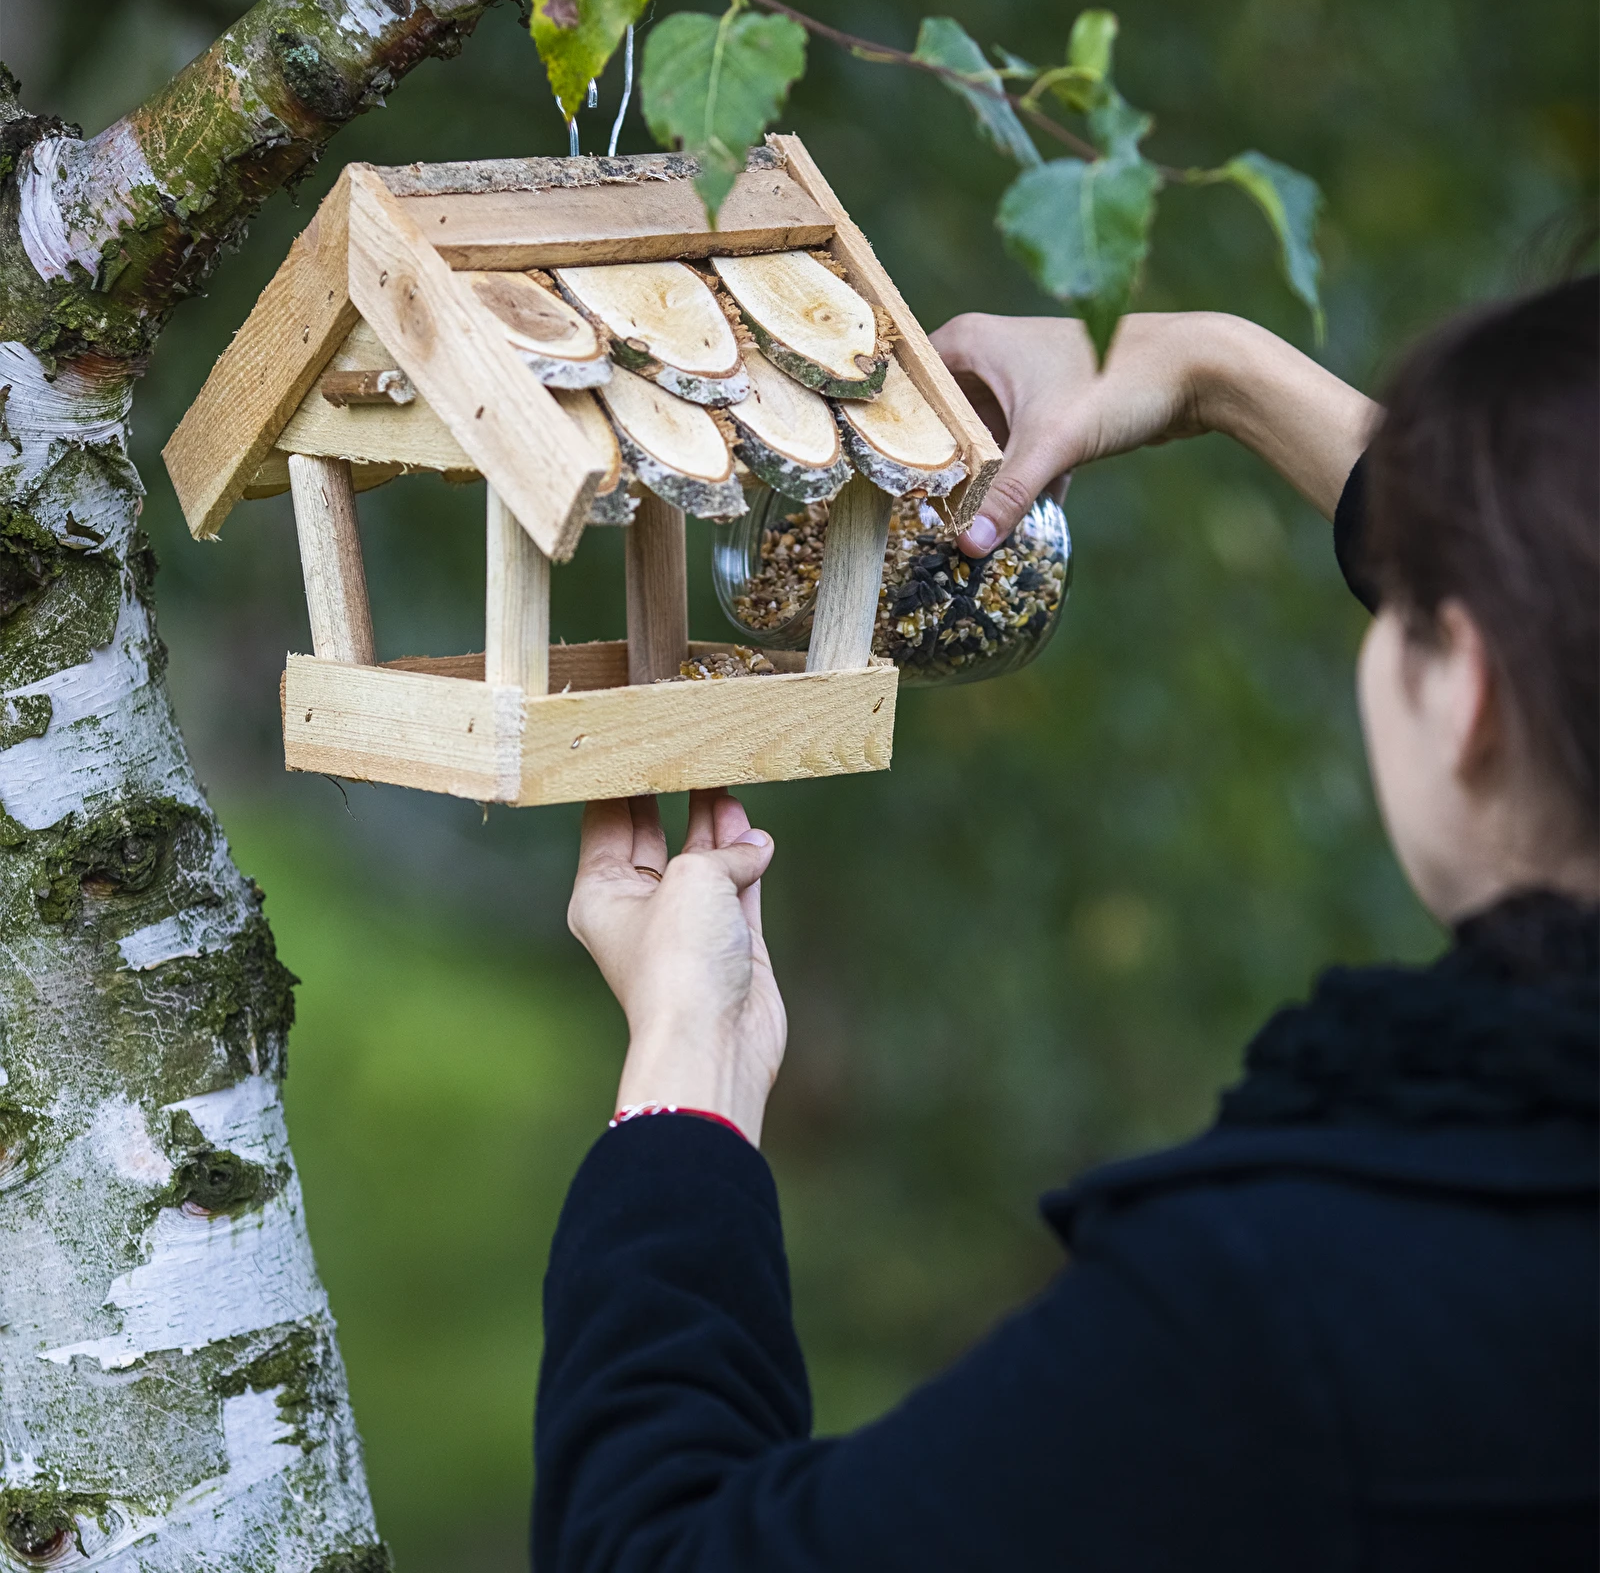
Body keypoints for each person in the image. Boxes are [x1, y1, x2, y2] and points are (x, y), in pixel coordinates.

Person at [534, 277, 1599, 1572]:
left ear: (1469, 689)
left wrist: (684, 1087)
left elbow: (658, 1553)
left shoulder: (1276, 1309)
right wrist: (1214, 365)